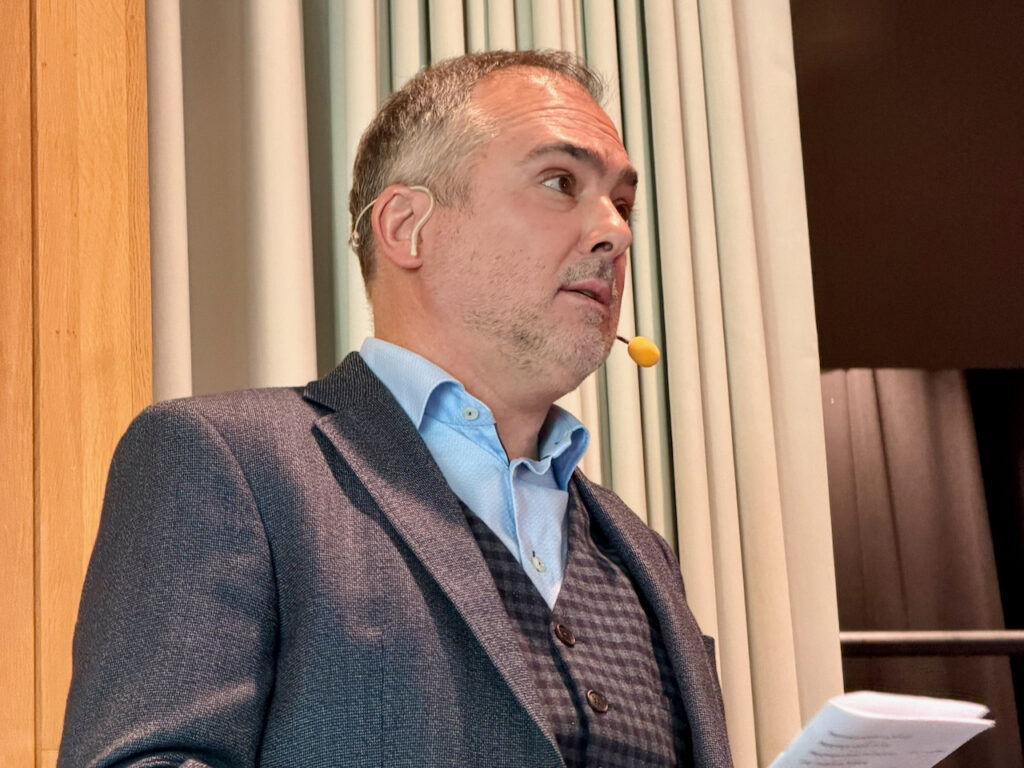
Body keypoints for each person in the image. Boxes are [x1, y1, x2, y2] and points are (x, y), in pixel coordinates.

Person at [59, 50, 732, 768]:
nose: (615, 233)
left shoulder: (641, 552)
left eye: (622, 204)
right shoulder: (226, 463)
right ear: (407, 226)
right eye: (560, 182)